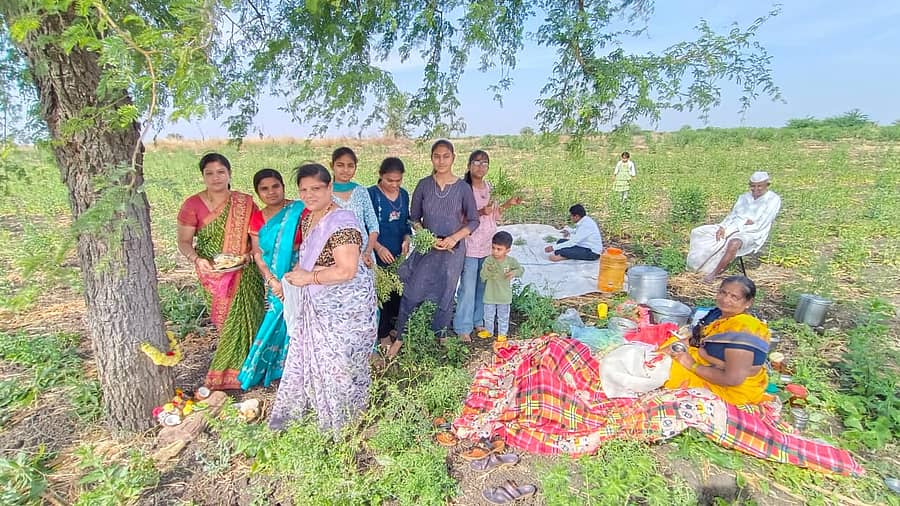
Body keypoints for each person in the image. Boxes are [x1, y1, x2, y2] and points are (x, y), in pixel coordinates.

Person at [269, 163, 377, 434]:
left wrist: (308, 279)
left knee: (340, 364)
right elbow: (312, 259)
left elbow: (347, 270)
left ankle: (344, 422)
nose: (309, 195)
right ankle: (319, 412)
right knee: (319, 363)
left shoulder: (343, 222)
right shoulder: (308, 217)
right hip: (319, 302)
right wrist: (294, 281)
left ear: (330, 188)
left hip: (345, 308)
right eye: (303, 190)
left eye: (316, 188)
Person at [176, 153, 264, 390]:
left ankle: (251, 370)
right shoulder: (192, 204)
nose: (216, 178)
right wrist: (197, 260)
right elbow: (184, 242)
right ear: (203, 176)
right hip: (213, 273)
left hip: (245, 272)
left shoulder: (244, 203)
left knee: (250, 318)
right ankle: (227, 374)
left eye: (220, 172)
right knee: (226, 324)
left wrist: (247, 255)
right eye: (209, 173)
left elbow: (256, 235)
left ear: (229, 174)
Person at [388, 140, 480, 358]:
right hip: (427, 248)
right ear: (432, 158)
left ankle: (441, 334)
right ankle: (400, 336)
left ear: (453, 158)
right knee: (412, 291)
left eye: (445, 156)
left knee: (447, 292)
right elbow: (414, 218)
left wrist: (453, 238)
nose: (441, 160)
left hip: (453, 251)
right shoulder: (423, 185)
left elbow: (474, 221)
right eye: (436, 156)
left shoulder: (463, 188)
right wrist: (427, 237)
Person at [237, 169, 305, 390]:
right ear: (258, 193)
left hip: (301, 272)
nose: (271, 192)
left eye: (275, 186)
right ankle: (268, 367)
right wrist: (273, 281)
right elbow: (258, 254)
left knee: (300, 317)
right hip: (273, 277)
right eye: (264, 189)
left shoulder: (299, 210)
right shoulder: (258, 218)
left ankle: (295, 367)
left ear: (283, 186)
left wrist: (295, 275)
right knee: (277, 315)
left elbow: (310, 243)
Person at [664, 276, 771, 406]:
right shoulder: (718, 315)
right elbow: (696, 340)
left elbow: (732, 379)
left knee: (666, 372)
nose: (726, 299)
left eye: (734, 297)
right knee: (665, 351)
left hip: (730, 389)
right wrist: (665, 350)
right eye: (723, 292)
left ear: (748, 302)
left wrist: (691, 365)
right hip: (707, 365)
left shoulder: (743, 331)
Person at [453, 150, 523, 342]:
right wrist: (480, 211)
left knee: (484, 284)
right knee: (467, 287)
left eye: (484, 163)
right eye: (476, 162)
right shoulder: (462, 189)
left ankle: (478, 320)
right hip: (470, 244)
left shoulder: (490, 187)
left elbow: (495, 213)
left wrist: (509, 203)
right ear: (468, 166)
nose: (480, 166)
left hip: (489, 245)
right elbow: (458, 217)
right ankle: (463, 327)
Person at [687, 171, 782, 283]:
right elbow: (732, 215)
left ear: (767, 185)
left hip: (752, 233)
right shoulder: (744, 197)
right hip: (732, 226)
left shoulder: (773, 199)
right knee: (701, 232)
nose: (756, 189)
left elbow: (761, 223)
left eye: (759, 186)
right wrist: (723, 227)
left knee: (733, 243)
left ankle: (713, 274)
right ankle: (696, 266)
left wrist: (738, 226)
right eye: (753, 186)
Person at [367, 157, 411, 347]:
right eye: (389, 180)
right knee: (380, 296)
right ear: (380, 176)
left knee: (397, 293)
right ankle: (382, 334)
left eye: (398, 180)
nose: (394, 185)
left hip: (397, 255)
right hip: (377, 255)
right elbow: (365, 225)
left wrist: (407, 239)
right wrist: (377, 247)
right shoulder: (371, 195)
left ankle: (394, 327)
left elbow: (406, 223)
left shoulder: (404, 195)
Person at [330, 147, 380, 267]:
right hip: (335, 257)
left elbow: (373, 225)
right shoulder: (325, 193)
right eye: (340, 165)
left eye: (350, 166)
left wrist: (368, 252)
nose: (345, 170)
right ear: (332, 166)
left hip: (364, 257)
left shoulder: (361, 191)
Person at [479, 231, 524, 340]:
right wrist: (487, 270)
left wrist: (514, 273)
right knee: (488, 316)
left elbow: (521, 269)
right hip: (490, 295)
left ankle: (502, 334)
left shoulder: (510, 261)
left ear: (507, 250)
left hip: (504, 297)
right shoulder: (488, 260)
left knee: (503, 316)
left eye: (499, 249)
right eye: (493, 248)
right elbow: (482, 277)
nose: (495, 251)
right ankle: (489, 331)